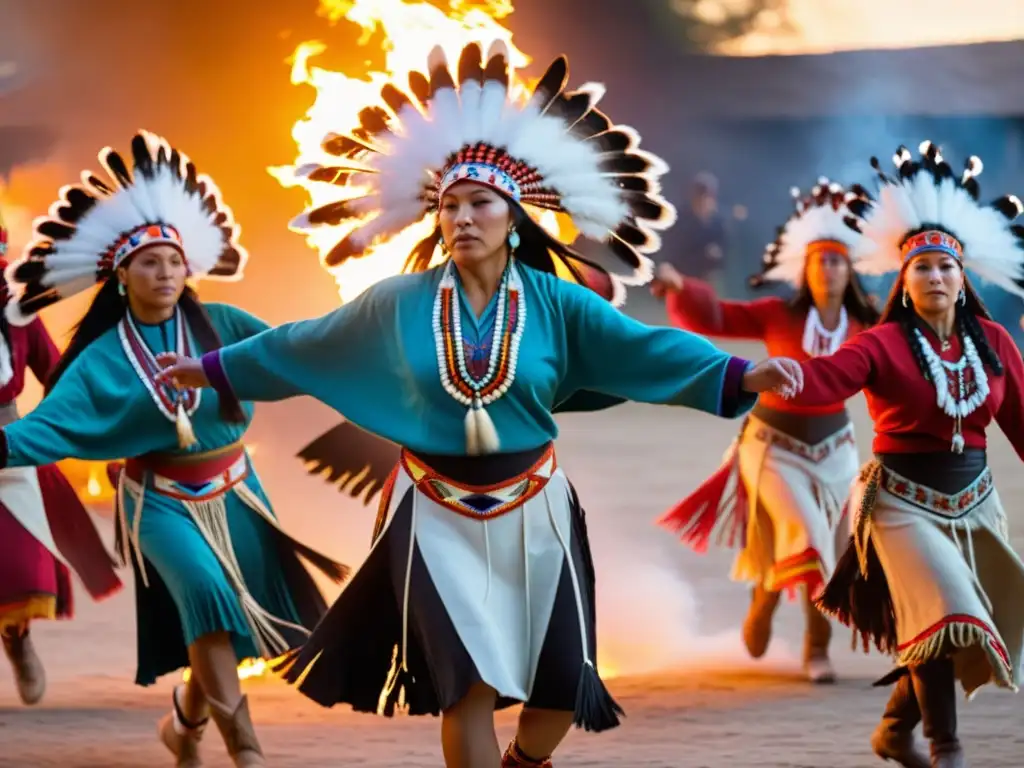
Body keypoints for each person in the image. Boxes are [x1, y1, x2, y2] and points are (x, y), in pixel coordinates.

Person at [154, 41, 802, 768]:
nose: (462, 218)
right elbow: (303, 346)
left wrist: (742, 375)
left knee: (559, 691)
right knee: (468, 691)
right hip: (432, 513)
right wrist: (211, 369)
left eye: (480, 203)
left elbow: (641, 348)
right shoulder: (398, 303)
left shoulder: (557, 302)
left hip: (536, 509)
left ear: (515, 215)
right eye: (449, 206)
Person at [1, 132, 350, 767]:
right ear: (120, 275)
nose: (164, 273)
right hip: (158, 502)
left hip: (238, 492)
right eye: (148, 263)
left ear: (189, 266)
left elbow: (291, 359)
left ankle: (185, 726)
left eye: (172, 261)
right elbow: (45, 429)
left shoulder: (226, 326)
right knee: (207, 595)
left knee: (235, 628)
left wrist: (368, 360)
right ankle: (248, 754)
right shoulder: (103, 358)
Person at [794, 142, 1024, 767]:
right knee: (947, 610)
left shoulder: (996, 342)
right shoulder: (882, 343)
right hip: (900, 505)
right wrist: (767, 377)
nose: (936, 278)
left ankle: (894, 731)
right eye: (922, 269)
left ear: (962, 277)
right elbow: (825, 380)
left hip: (976, 504)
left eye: (946, 268)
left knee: (951, 623)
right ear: (904, 280)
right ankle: (946, 749)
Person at [653, 178, 880, 683]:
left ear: (851, 270)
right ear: (806, 268)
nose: (828, 267)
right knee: (807, 536)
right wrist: (679, 285)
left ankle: (781, 611)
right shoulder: (778, 313)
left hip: (837, 450)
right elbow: (716, 315)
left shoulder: (870, 326)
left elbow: (911, 352)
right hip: (773, 448)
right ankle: (803, 640)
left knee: (837, 551)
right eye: (819, 259)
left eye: (838, 259)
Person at [0, 204, 122, 705]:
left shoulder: (18, 315)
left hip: (9, 446)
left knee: (21, 568)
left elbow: (57, 376)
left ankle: (17, 639)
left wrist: (107, 419)